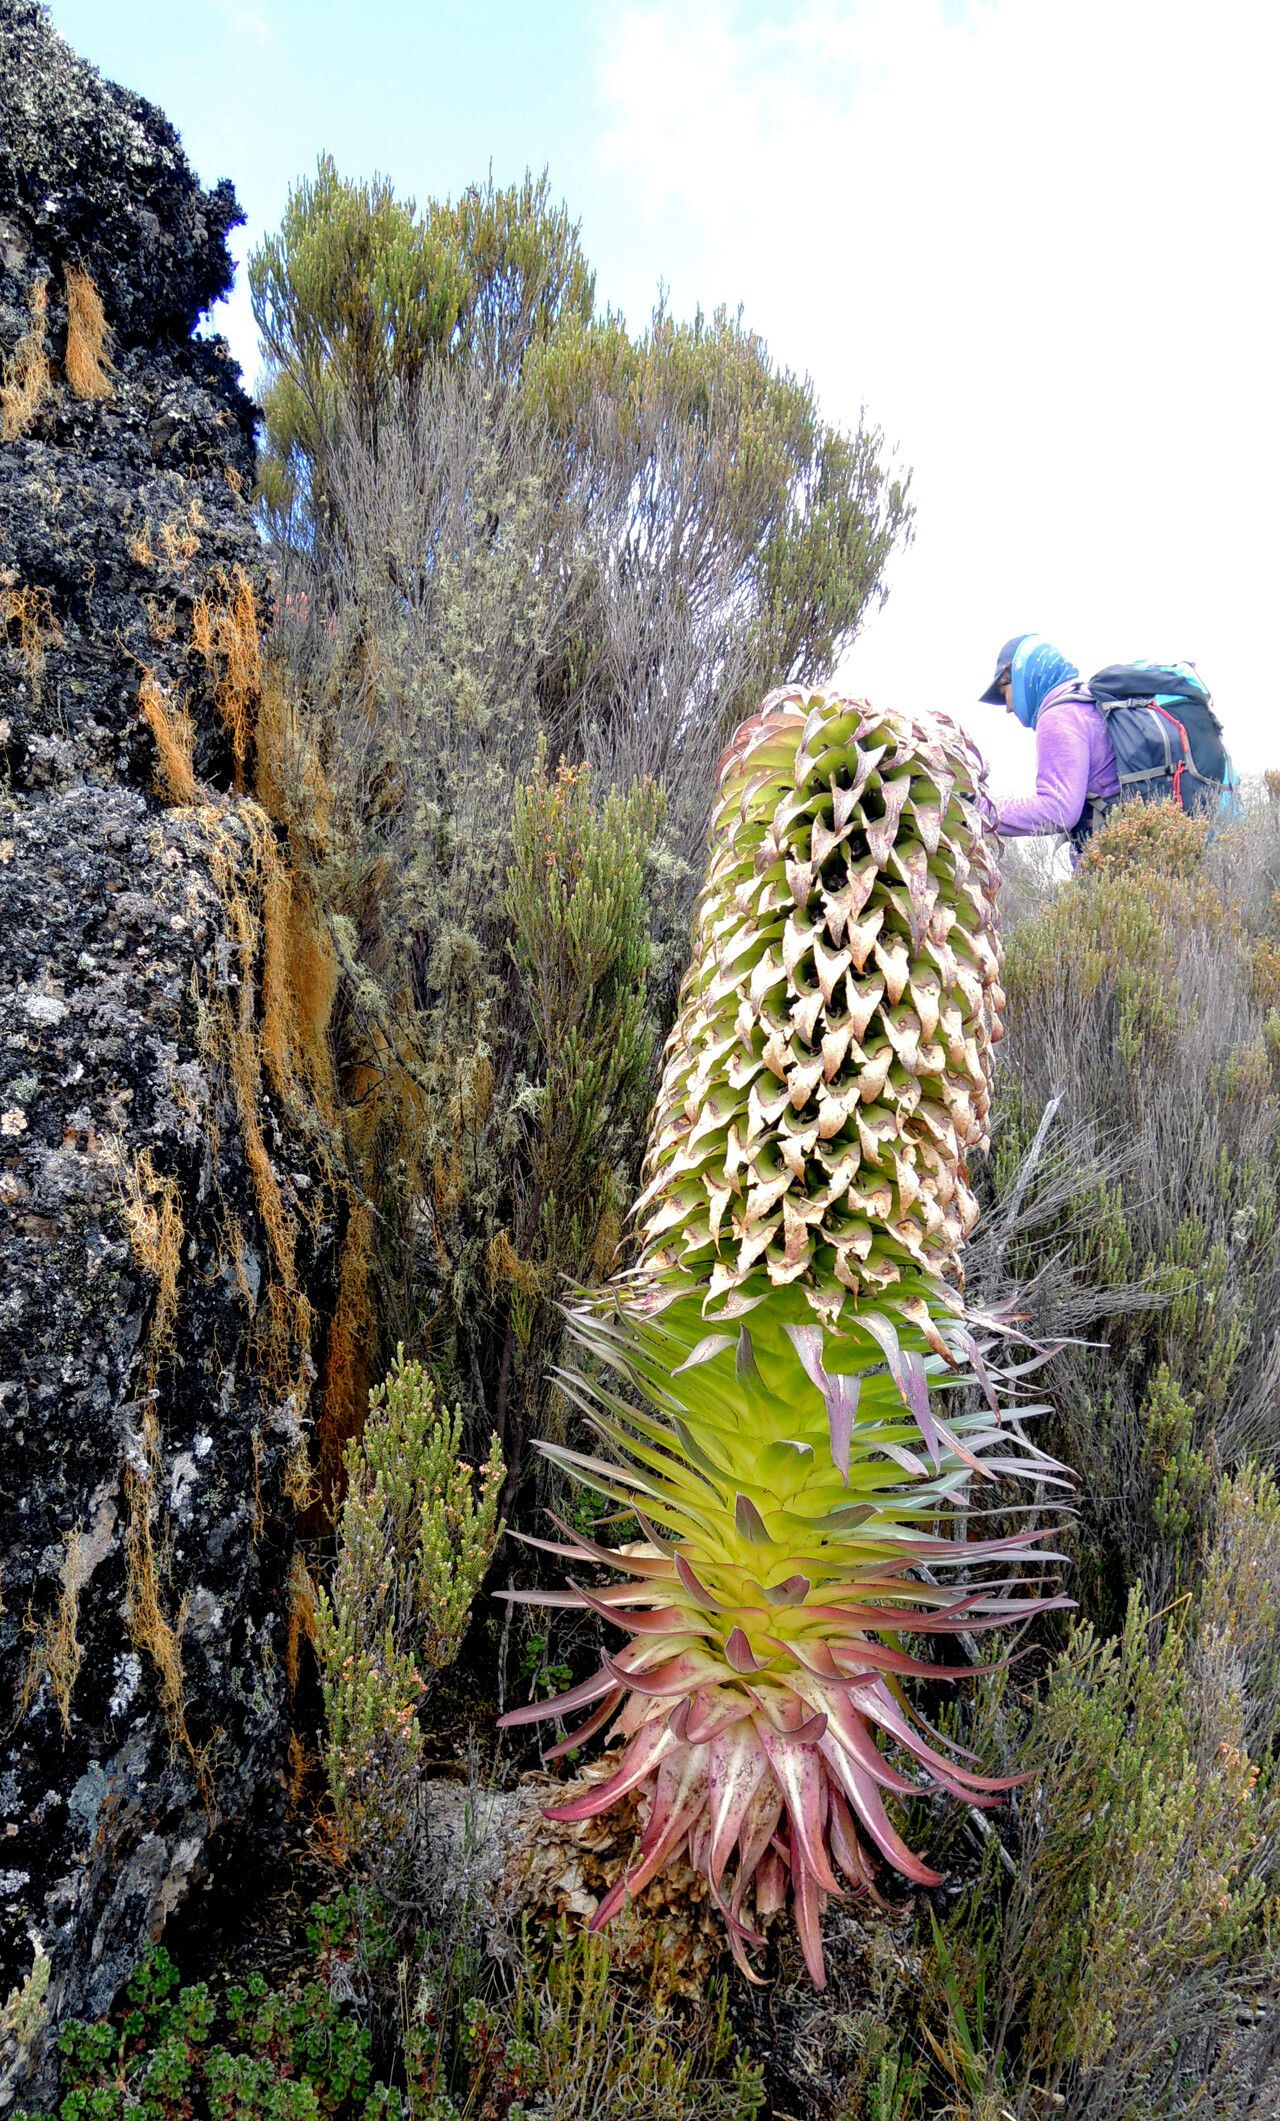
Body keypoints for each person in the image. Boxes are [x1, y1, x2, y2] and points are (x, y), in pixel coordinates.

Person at [978, 633, 1120, 852]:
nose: (1007, 707)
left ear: (1021, 677)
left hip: (1118, 859)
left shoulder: (1059, 717)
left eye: (1004, 692)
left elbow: (1058, 809)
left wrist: (982, 809)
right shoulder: (1086, 703)